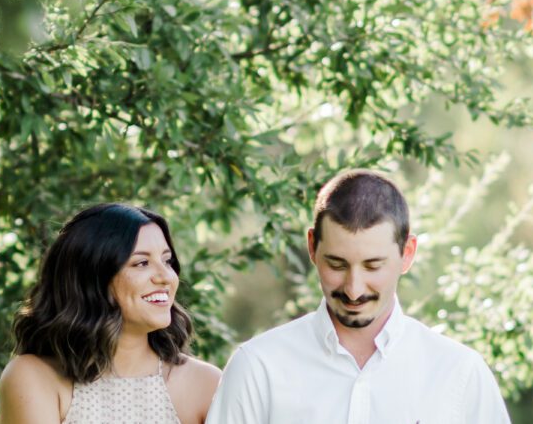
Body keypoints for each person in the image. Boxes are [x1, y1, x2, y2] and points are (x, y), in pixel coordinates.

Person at [206, 169, 511, 423]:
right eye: (337, 264)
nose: (354, 288)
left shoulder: (460, 373)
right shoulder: (258, 368)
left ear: (407, 254)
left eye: (373, 266)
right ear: (312, 247)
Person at [0, 203, 222, 424]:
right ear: (92, 279)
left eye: (167, 260)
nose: (166, 276)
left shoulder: (206, 384)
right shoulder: (34, 376)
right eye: (142, 263)